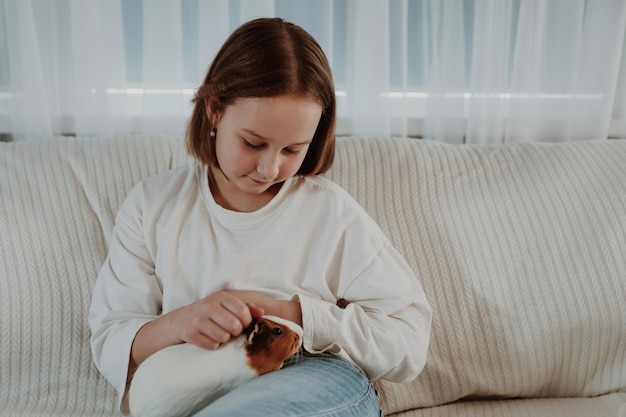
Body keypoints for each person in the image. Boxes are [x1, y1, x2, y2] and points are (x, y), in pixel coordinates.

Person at [89, 17, 431, 417]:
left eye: (292, 150)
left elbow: (408, 341)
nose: (269, 169)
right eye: (254, 143)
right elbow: (110, 341)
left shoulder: (329, 211)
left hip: (311, 373)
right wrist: (180, 324)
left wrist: (295, 315)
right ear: (214, 110)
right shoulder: (153, 205)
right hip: (194, 385)